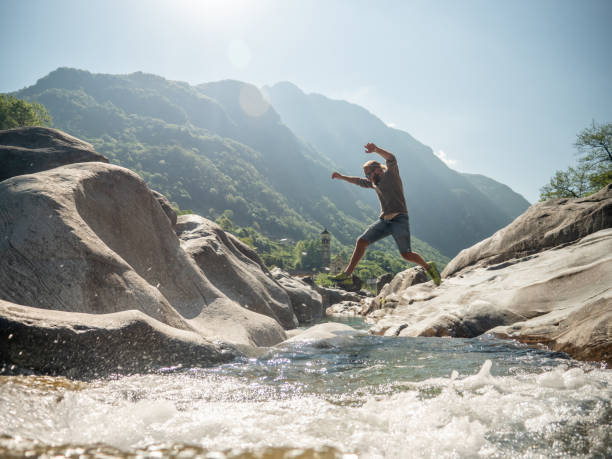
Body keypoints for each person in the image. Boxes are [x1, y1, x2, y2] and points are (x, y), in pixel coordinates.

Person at [330, 142, 441, 286]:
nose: (368, 177)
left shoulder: (391, 175)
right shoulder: (373, 183)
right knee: (361, 241)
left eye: (369, 173)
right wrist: (341, 177)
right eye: (367, 175)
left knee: (406, 254)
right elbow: (358, 181)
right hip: (384, 221)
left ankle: (428, 267)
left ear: (378, 170)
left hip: (399, 219)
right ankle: (347, 274)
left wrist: (376, 150)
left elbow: (391, 158)